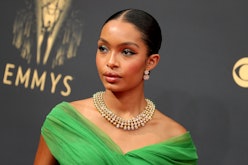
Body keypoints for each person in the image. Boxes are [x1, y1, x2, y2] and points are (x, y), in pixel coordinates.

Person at [34, 8, 198, 165]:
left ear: (151, 62)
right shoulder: (65, 121)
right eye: (103, 49)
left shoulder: (174, 141)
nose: (111, 62)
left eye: (127, 52)